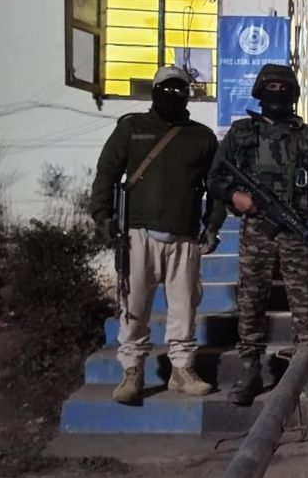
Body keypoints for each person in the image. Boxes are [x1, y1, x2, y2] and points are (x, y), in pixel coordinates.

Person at [90, 65, 226, 406]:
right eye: (166, 88)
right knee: (134, 305)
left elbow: (216, 185)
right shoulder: (131, 128)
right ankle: (132, 371)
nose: (173, 94)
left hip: (185, 235)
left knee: (184, 307)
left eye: (180, 88)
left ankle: (182, 370)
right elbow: (107, 171)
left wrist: (212, 225)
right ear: (154, 92)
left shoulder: (202, 137)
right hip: (138, 233)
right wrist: (103, 214)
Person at [208, 64, 308, 407]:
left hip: (295, 228)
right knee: (251, 299)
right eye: (271, 86)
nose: (277, 92)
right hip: (256, 226)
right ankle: (250, 369)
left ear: (293, 93)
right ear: (260, 92)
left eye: (283, 86)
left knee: (304, 301)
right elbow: (215, 177)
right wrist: (235, 196)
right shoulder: (242, 133)